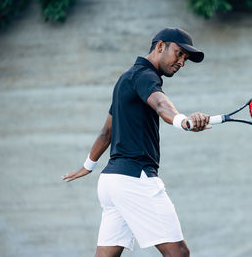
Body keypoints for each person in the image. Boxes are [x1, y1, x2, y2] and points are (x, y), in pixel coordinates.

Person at [62, 27, 210, 257]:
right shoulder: (145, 76)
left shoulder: (126, 79)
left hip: (112, 182)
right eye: (179, 53)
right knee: (179, 253)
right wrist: (183, 122)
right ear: (160, 46)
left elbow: (106, 131)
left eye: (186, 58)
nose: (182, 62)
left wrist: (88, 166)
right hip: (134, 178)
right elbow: (161, 105)